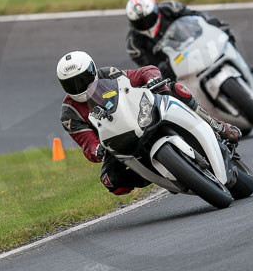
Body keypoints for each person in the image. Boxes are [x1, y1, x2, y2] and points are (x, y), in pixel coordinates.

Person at [57, 51, 241, 195]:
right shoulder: (69, 113)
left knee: (174, 88)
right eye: (71, 84)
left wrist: (152, 78)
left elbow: (141, 73)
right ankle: (160, 173)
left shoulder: (108, 74)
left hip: (141, 114)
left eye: (82, 79)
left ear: (92, 70)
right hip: (115, 143)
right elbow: (86, 142)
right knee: (111, 180)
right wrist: (97, 150)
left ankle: (216, 125)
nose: (79, 87)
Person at [124, 0, 235, 74]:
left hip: (195, 44)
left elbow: (196, 15)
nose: (146, 24)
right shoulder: (134, 44)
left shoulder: (169, 8)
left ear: (156, 10)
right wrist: (164, 68)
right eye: (139, 22)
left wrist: (213, 22)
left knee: (226, 35)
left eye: (148, 19)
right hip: (177, 70)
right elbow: (152, 68)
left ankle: (236, 66)